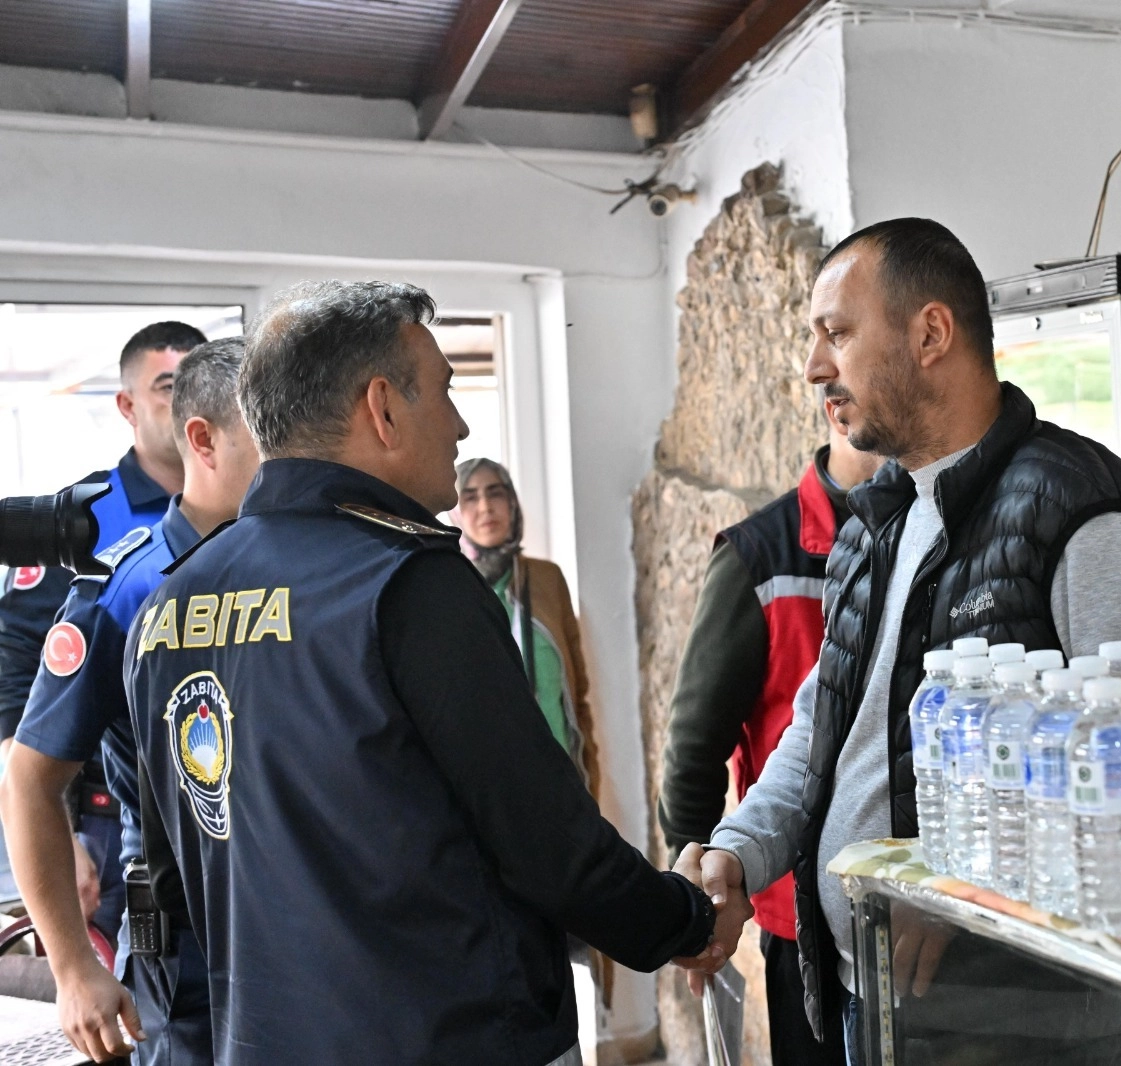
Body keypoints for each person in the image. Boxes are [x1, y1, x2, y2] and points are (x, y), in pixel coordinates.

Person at [124, 280, 744, 1066]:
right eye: (445, 393)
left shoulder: (170, 604)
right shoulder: (406, 584)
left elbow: (172, 874)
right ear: (382, 408)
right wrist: (686, 921)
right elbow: (546, 843)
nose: (460, 423)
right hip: (451, 1036)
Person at [681, 219, 1121, 1060]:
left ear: (930, 333)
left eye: (836, 333)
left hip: (1036, 1031)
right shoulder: (877, 522)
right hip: (884, 1005)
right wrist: (737, 852)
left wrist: (978, 890)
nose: (814, 367)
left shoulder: (1076, 514)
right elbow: (821, 733)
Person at [1, 338, 255, 1065]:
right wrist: (73, 967)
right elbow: (28, 779)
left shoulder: (298, 572)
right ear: (204, 440)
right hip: (175, 935)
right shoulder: (129, 586)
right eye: (267, 436)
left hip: (289, 932)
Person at [658, 398, 880, 1066]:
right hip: (802, 912)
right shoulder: (761, 557)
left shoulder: (929, 530)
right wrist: (699, 903)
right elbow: (694, 750)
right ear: (836, 411)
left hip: (915, 916)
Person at [0, 321, 205, 950]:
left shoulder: (253, 510)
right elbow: (13, 681)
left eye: (203, 383)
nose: (189, 400)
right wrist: (56, 838)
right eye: (170, 385)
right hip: (114, 813)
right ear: (127, 405)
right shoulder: (86, 520)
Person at [450, 456, 613, 1006]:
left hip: (558, 790)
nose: (485, 507)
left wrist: (586, 777)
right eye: (470, 496)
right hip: (489, 800)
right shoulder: (445, 585)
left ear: (513, 503)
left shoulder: (544, 579)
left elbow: (578, 691)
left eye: (496, 493)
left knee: (564, 934)